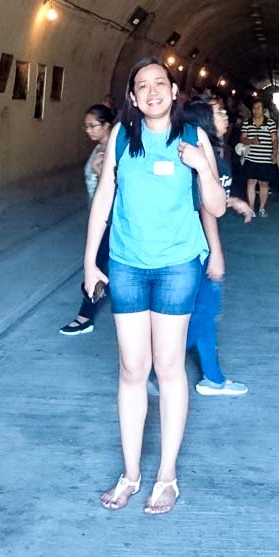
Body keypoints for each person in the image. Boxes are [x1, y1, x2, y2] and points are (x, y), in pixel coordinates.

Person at [84, 58, 226, 515]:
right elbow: (104, 197)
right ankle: (130, 474)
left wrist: (203, 166)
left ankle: (166, 477)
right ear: (132, 97)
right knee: (131, 367)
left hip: (176, 267)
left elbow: (217, 208)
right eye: (141, 86)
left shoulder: (192, 137)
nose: (151, 92)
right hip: (127, 265)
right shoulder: (121, 137)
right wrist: (91, 261)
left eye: (159, 84)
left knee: (167, 367)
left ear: (173, 90)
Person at [181, 95, 253, 395]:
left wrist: (233, 201)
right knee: (203, 313)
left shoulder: (214, 150)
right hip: (196, 247)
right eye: (219, 112)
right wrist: (215, 253)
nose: (226, 115)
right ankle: (151, 364)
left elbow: (214, 197)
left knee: (205, 312)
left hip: (199, 246)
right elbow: (203, 207)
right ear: (204, 121)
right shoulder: (200, 152)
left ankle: (212, 377)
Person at [60, 104, 116, 335]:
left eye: (93, 126)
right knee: (102, 264)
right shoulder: (101, 148)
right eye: (86, 126)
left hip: (110, 219)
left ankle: (85, 316)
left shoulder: (112, 149)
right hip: (100, 217)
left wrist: (99, 171)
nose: (88, 131)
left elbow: (115, 184)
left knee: (96, 264)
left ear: (106, 125)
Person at [239, 99, 278, 217]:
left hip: (265, 159)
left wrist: (274, 153)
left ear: (264, 110)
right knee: (251, 182)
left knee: (263, 183)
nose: (256, 110)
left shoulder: (270, 123)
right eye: (254, 108)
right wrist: (251, 141)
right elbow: (242, 138)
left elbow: (274, 139)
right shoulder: (247, 123)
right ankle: (251, 207)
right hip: (251, 158)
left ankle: (261, 208)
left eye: (259, 108)